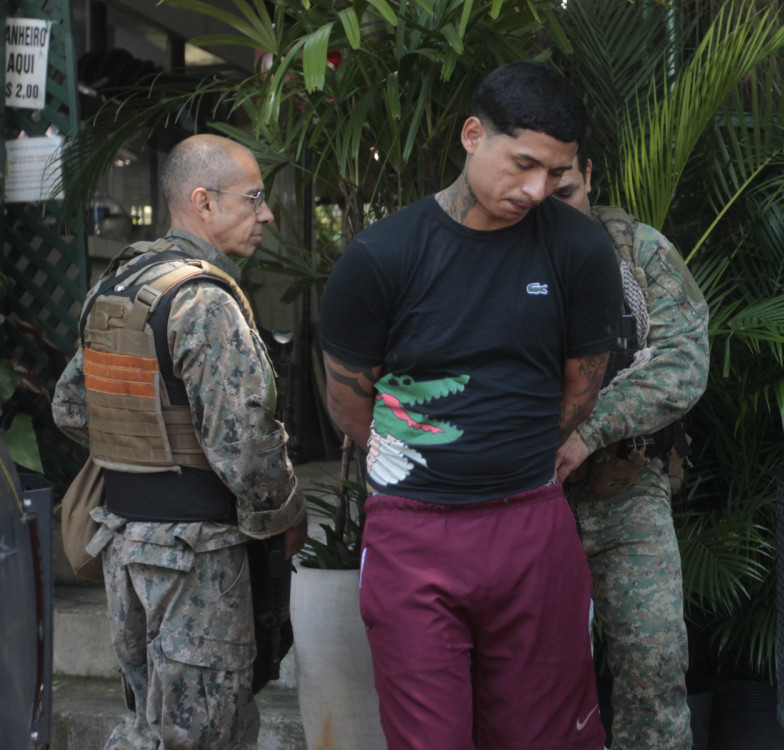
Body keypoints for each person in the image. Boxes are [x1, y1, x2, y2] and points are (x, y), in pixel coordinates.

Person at [318, 60, 622, 749]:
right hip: (413, 532)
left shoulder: (579, 249)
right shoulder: (381, 256)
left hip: (531, 523)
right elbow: (349, 403)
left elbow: (581, 388)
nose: (537, 189)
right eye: (522, 164)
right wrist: (427, 460)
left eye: (556, 172)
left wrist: (507, 454)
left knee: (546, 738)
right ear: (472, 135)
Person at [52, 134, 307, 750]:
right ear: (204, 202)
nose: (266, 214)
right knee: (203, 733)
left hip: (124, 547)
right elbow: (246, 447)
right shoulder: (205, 300)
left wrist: (152, 445)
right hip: (198, 557)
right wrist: (285, 515)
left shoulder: (118, 285)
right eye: (254, 199)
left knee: (150, 730)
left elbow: (69, 405)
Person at [552, 150, 710, 750]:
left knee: (654, 663)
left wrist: (591, 431)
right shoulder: (496, 250)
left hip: (625, 488)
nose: (553, 210)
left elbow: (684, 363)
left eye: (565, 192)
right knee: (534, 685)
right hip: (526, 499)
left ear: (590, 175)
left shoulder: (637, 252)